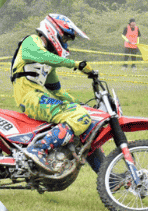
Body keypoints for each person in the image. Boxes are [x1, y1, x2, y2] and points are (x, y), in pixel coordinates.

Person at [10, 13, 96, 173]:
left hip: (37, 98)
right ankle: (38, 149)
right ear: (54, 31)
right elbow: (40, 55)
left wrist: (78, 102)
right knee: (79, 116)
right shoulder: (31, 41)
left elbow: (57, 91)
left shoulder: (48, 62)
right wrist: (75, 64)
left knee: (87, 121)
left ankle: (109, 179)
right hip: (30, 99)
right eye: (65, 39)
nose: (66, 44)